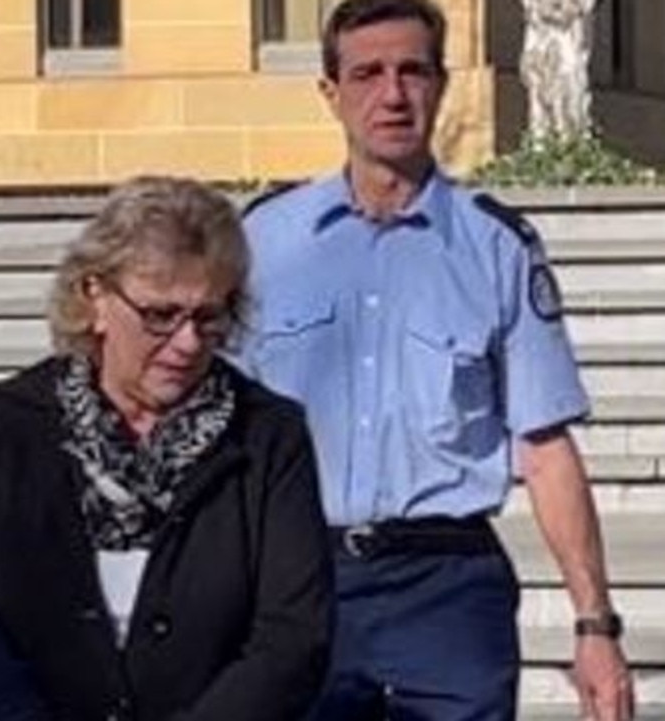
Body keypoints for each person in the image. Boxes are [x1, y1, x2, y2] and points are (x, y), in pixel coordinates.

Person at [229, 1, 634, 719]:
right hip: (299, 582)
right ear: (330, 92)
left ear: (441, 85)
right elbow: (219, 428)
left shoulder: (497, 248)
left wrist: (595, 625)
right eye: (367, 74)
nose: (392, 94)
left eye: (412, 70)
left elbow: (544, 448)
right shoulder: (265, 244)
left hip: (448, 590)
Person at [0, 176, 333, 721]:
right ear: (94, 297)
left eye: (209, 316)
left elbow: (291, 638)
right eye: (160, 315)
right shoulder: (6, 428)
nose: (188, 343)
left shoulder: (268, 435)